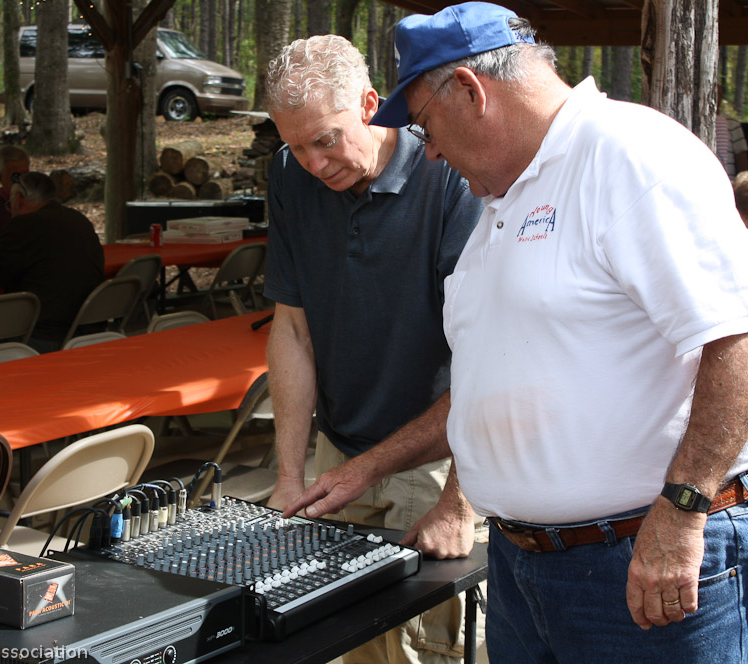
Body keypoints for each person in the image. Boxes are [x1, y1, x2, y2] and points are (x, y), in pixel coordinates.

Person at [285, 3, 748, 662]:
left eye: (426, 126)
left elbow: (734, 338)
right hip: (520, 567)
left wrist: (682, 508)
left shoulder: (629, 153)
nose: (430, 150)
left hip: (637, 563)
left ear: (471, 91)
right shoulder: (502, 197)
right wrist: (370, 467)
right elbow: (486, 391)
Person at [263, 35, 485, 664]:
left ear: (370, 103)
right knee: (343, 645)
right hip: (338, 457)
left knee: (422, 652)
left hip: (438, 457)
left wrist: (459, 502)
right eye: (296, 145)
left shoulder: (450, 174)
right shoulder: (288, 175)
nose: (313, 162)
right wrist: (289, 476)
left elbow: (492, 350)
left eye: (326, 139)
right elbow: (293, 329)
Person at [0, 171, 104, 353]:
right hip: (88, 331)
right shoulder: (78, 219)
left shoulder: (25, 225)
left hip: (41, 335)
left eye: (10, 203)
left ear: (19, 199)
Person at [714, 86, 748, 180]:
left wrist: (742, 182)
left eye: (718, 94)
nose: (716, 96)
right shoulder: (695, 121)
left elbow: (741, 155)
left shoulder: (732, 123)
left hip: (729, 179)